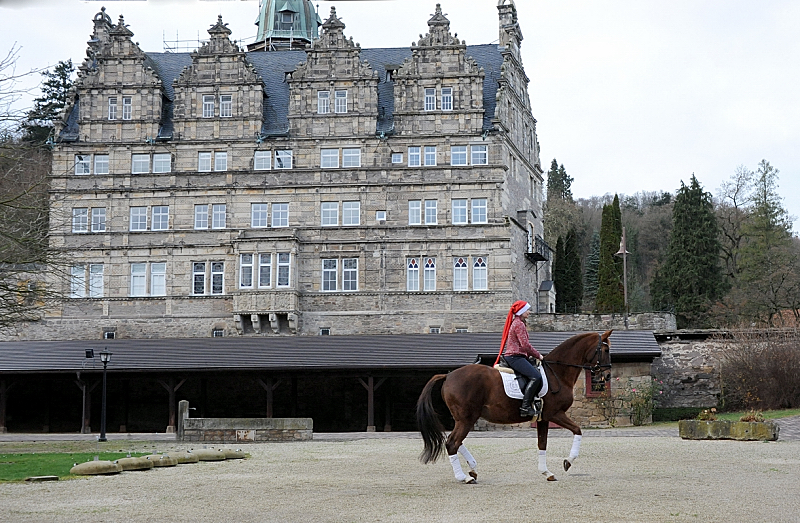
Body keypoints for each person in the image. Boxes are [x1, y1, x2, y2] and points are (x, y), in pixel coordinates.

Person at [497, 300, 543, 417]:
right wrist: (538, 355)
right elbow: (525, 345)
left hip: (519, 355)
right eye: (527, 310)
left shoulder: (519, 322)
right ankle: (525, 407)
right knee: (536, 376)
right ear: (521, 311)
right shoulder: (519, 324)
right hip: (515, 356)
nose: (529, 312)